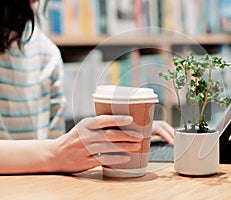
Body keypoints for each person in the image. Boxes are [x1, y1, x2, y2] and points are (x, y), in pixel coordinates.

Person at [0, 0, 174, 174]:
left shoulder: (46, 52)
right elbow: (55, 153)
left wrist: (127, 131)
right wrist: (56, 153)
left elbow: (55, 152)